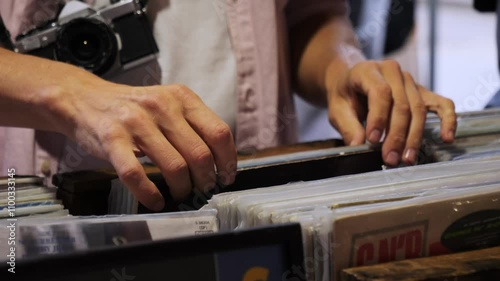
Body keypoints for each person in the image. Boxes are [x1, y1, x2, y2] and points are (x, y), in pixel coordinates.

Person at [0, 0, 457, 211]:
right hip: (49, 207)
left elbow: (309, 15)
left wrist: (342, 69)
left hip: (255, 204)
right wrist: (71, 95)